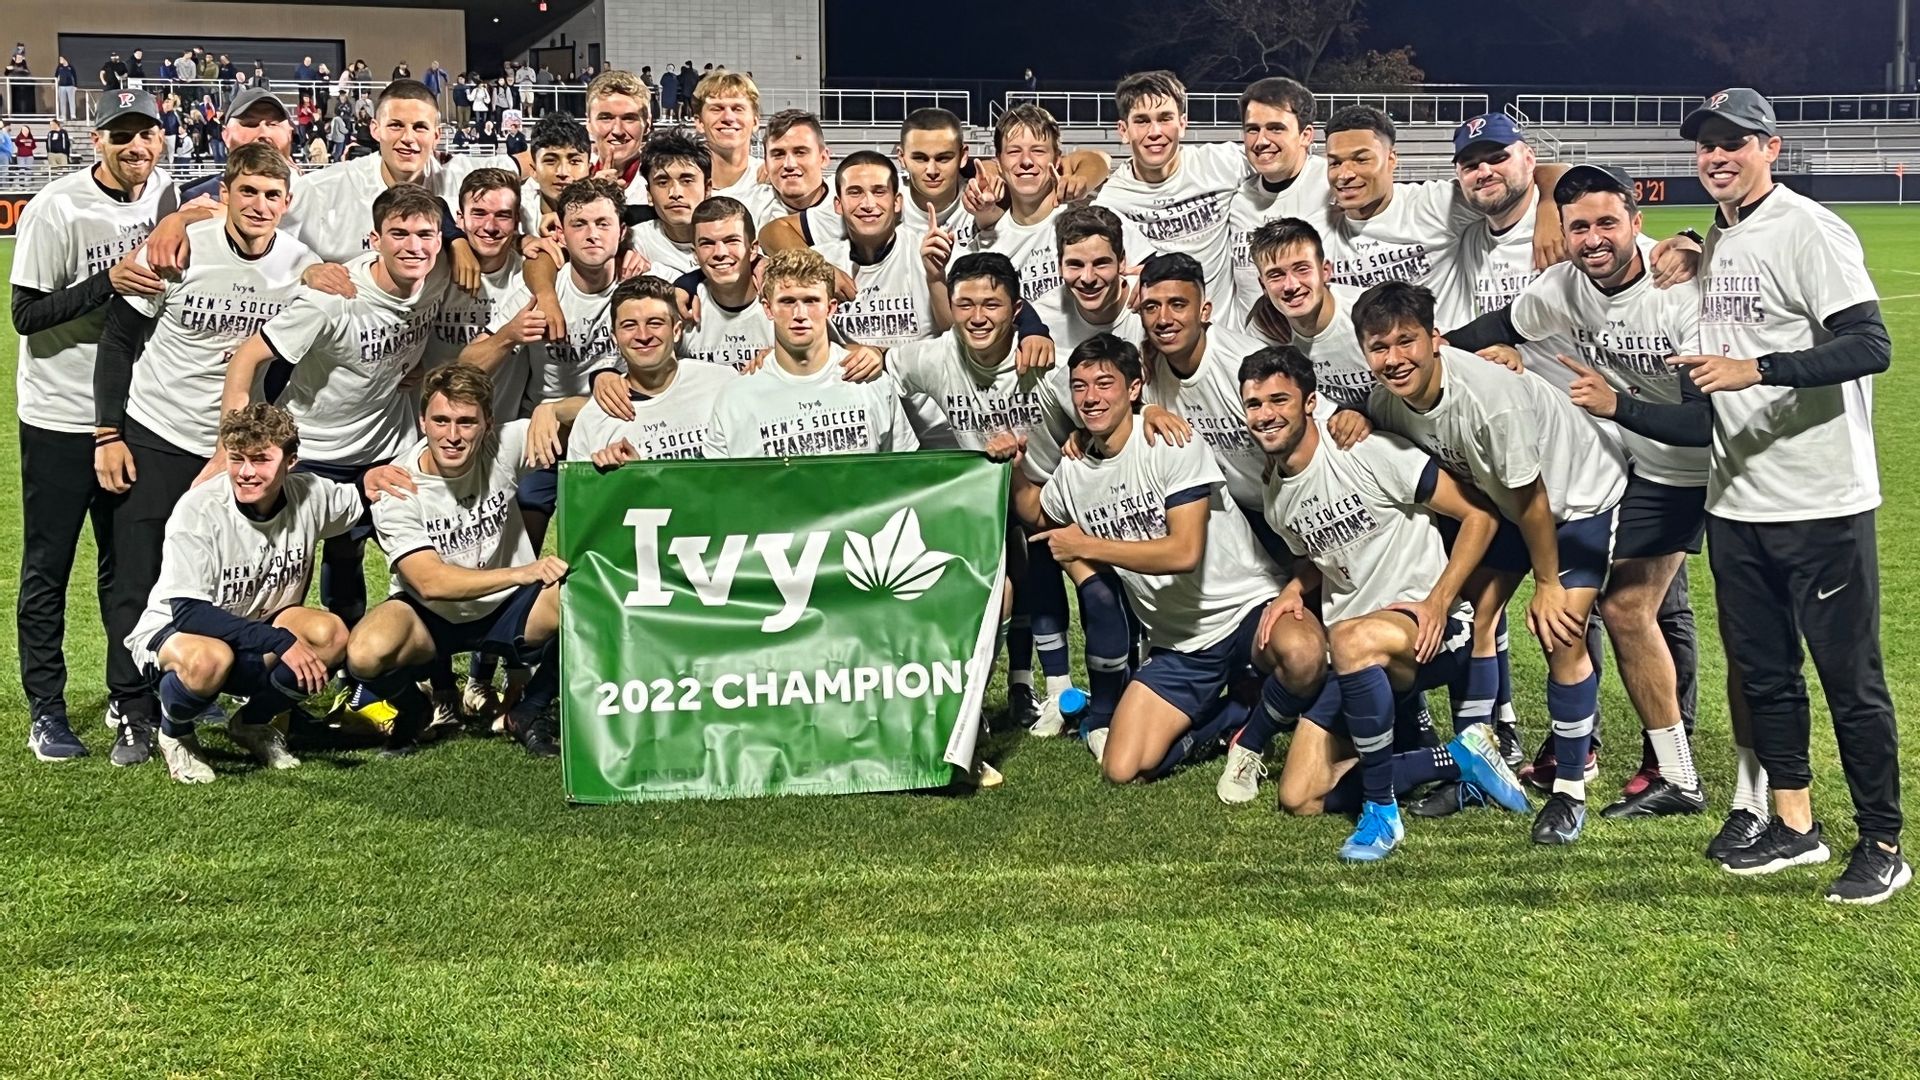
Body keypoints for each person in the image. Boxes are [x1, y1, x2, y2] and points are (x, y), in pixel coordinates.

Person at [1667, 89, 1905, 902]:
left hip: (1821, 498)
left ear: (1773, 148)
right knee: (1766, 676)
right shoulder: (1720, 239)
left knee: (1850, 677)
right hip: (1737, 501)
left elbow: (1870, 344)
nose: (1717, 156)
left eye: (1735, 142)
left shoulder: (1809, 227)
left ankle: (1883, 840)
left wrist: (1754, 370)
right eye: (1706, 145)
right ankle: (1795, 826)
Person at [1443, 163, 1708, 818]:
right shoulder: (1564, 286)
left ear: (1637, 225)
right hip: (1620, 464)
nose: (1594, 238)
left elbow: (1707, 423)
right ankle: (1588, 752)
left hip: (1682, 470)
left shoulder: (1680, 290)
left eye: (1608, 223)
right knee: (1593, 605)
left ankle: (1670, 770)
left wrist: (1617, 406)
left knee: (1627, 609)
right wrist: (1421, 352)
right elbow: (1495, 326)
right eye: (1579, 226)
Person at [1351, 281, 1626, 844]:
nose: (1394, 358)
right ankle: (1475, 768)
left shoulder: (1488, 401)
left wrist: (1547, 582)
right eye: (1379, 347)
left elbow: (1536, 501)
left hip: (1575, 498)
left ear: (1436, 340)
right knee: (1478, 619)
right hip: (1508, 500)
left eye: (1407, 342)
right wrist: (1355, 414)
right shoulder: (1386, 399)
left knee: (1561, 631)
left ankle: (1569, 794)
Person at [1242, 345, 1528, 860]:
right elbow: (1319, 557)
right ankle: (1458, 756)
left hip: (1430, 631)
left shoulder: (1366, 452)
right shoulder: (1276, 496)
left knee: (1350, 636)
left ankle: (1382, 814)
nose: (1265, 415)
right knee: (1299, 795)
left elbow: (1479, 515)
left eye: (1278, 400)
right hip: (1358, 658)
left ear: (1310, 403)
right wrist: (1292, 588)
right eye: (1255, 403)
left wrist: (1441, 601)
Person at [90, 144, 319, 764]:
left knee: (235, 577)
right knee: (138, 576)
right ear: (225, 193)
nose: (260, 205)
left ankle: (210, 688)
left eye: (273, 195)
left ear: (287, 203)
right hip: (158, 431)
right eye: (248, 192)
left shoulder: (301, 264)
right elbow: (117, 340)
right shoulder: (182, 248)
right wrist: (108, 433)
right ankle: (133, 709)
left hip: (238, 447)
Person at [1010, 333, 1281, 785]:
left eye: (1104, 384)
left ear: (1135, 390)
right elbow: (1039, 512)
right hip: (1178, 641)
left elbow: (1183, 552)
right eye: (1080, 387)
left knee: (1303, 655)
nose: (1090, 397)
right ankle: (1233, 714)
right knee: (1122, 768)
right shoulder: (1075, 468)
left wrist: (1088, 547)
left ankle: (1277, 709)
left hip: (1245, 609)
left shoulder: (1168, 440)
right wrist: (1013, 466)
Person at [11, 87, 176, 762]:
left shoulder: (165, 194)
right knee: (48, 566)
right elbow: (25, 315)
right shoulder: (57, 207)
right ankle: (47, 711)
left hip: (135, 409)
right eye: (122, 136)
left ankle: (126, 690)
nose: (137, 147)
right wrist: (109, 282)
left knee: (128, 564)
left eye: (148, 134)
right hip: (57, 412)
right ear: (97, 142)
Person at [218, 183, 453, 626]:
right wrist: (226, 446)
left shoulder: (439, 271)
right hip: (318, 449)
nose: (414, 246)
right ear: (374, 240)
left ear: (441, 241)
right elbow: (249, 355)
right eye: (398, 234)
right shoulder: (333, 299)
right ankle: (280, 663)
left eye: (426, 234)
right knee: (290, 569)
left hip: (389, 443)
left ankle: (398, 666)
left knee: (415, 550)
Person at [128, 404, 364, 783]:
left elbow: (365, 498)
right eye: (236, 459)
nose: (246, 472)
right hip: (179, 632)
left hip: (258, 625)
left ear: (291, 461)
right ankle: (175, 733)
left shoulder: (311, 494)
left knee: (331, 634)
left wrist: (381, 479)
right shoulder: (200, 509)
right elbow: (189, 612)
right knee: (210, 659)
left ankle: (251, 723)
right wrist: (278, 639)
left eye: (260, 459)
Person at [348, 364, 568, 757]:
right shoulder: (398, 487)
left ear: (488, 424)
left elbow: (591, 413)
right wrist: (523, 572)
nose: (452, 435)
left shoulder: (501, 445)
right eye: (441, 420)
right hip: (433, 614)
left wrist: (550, 410)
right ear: (422, 421)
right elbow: (431, 582)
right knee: (365, 653)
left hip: (507, 607)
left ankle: (530, 710)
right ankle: (414, 710)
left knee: (580, 597)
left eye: (467, 422)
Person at [460, 176, 627, 545]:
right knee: (517, 548)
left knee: (614, 545)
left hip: (613, 430)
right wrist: (509, 335)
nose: (592, 235)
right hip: (544, 436)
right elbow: (467, 367)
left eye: (603, 224)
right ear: (561, 236)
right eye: (579, 224)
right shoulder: (536, 291)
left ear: (622, 231)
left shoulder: (641, 287)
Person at [1307, 106, 1565, 331]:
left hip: (1450, 362)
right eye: (1335, 163)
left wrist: (1549, 204)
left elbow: (1524, 175)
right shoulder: (1315, 233)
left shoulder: (1437, 203)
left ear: (1391, 159)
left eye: (1361, 159)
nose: (1345, 174)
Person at [704, 247, 919, 458]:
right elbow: (718, 487)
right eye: (787, 302)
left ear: (831, 308)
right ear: (768, 309)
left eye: (811, 301)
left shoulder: (872, 382)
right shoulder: (735, 399)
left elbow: (903, 475)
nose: (800, 314)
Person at [1092, 71, 1249, 320]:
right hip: (1159, 339)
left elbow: (1287, 166)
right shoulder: (1112, 202)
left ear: (1183, 124)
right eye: (1142, 121)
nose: (1155, 132)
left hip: (1223, 335)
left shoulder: (1222, 164)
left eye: (1165, 118)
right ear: (1123, 130)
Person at [564, 275, 737, 463]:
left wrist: (643, 473)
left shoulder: (723, 384)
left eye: (655, 323)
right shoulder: (593, 420)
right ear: (614, 338)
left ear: (676, 330)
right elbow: (582, 492)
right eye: (629, 325)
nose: (643, 335)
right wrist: (611, 482)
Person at [1228, 77, 1327, 318]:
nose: (1261, 141)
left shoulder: (1332, 187)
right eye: (1253, 129)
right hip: (1254, 349)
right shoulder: (1238, 199)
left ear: (1306, 135)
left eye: (1275, 128)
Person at [674, 195, 774, 371]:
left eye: (731, 241)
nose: (720, 252)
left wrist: (787, 360)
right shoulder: (681, 309)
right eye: (707, 244)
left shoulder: (785, 303)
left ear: (753, 249)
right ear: (695, 254)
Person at [691, 71, 781, 224]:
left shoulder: (774, 179)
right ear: (699, 122)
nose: (728, 118)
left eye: (738, 108)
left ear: (755, 122)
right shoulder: (682, 183)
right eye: (717, 109)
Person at [627, 131, 709, 281]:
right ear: (649, 194)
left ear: (708, 189)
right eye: (662, 182)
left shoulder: (729, 234)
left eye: (687, 181)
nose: (675, 193)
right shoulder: (634, 242)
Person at [519, 110, 590, 238]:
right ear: (533, 170)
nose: (562, 172)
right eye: (550, 161)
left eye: (574, 161)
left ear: (589, 169)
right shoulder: (518, 215)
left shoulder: (608, 216)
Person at [584, 70, 652, 201]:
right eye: (606, 118)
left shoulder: (664, 185)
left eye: (629, 119)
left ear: (648, 123)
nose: (618, 131)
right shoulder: (571, 181)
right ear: (589, 124)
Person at [55, 55, 78, 121]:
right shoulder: (59, 67)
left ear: (65, 59)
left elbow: (74, 76)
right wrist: (55, 84)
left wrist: (75, 86)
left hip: (70, 86)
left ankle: (73, 115)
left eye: (61, 59)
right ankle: (63, 115)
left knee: (71, 101)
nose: (60, 60)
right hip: (61, 86)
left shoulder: (70, 67)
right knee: (62, 101)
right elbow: (56, 75)